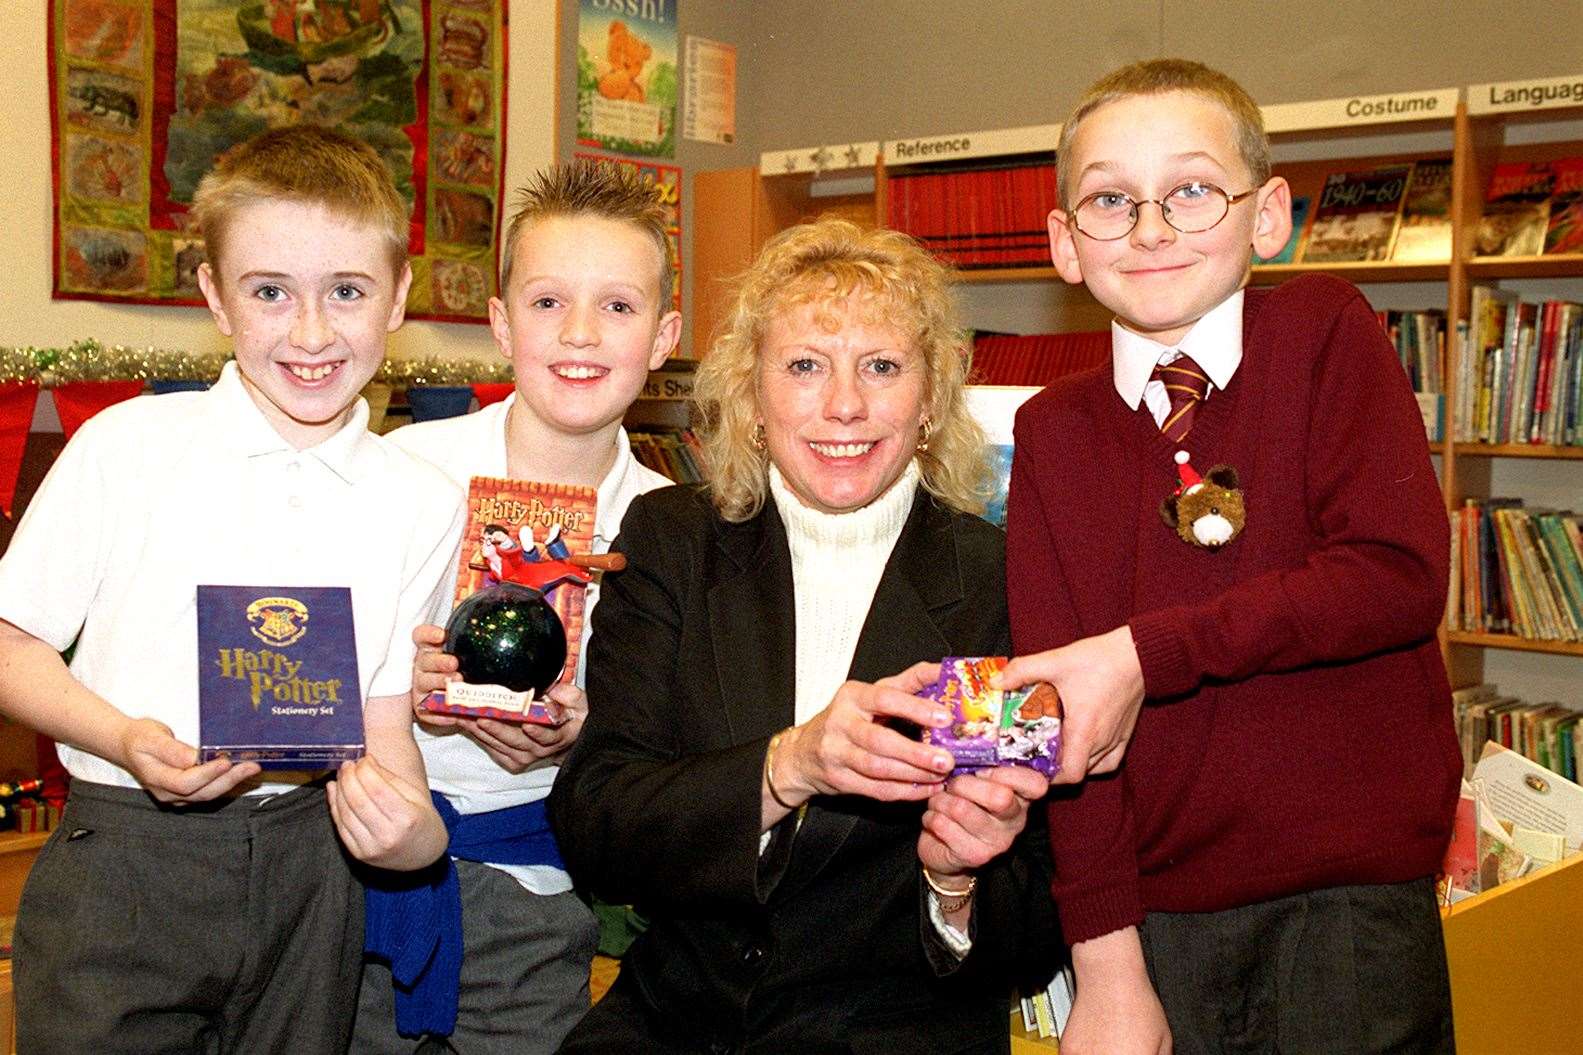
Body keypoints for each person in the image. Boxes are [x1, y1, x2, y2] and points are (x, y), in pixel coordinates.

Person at [999, 59, 1461, 1055]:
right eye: (1110, 200)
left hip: (1346, 919)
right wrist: (1107, 968)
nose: (1151, 228)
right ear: (1064, 244)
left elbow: (1393, 575)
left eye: (1191, 191)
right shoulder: (1052, 431)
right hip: (1155, 927)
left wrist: (1137, 652)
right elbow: (1056, 713)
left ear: (1266, 215)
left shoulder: (1325, 333)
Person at [0, 125, 462, 1054]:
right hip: (126, 857)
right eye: (269, 292)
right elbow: (11, 642)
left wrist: (415, 838)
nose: (311, 332)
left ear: (399, 296)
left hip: (311, 862)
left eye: (347, 291)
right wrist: (126, 738)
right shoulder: (127, 449)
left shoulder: (420, 497)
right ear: (215, 296)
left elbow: (383, 718)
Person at [548, 217, 1060, 1054]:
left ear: (931, 398)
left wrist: (958, 884)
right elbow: (597, 823)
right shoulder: (673, 538)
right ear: (752, 397)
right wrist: (789, 765)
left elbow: (1045, 915)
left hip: (892, 1033)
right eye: (805, 366)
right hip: (676, 1023)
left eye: (882, 367)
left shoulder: (1008, 579)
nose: (845, 405)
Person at [352, 159, 681, 1054]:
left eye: (618, 306)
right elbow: (300, 666)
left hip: (540, 894)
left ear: (663, 335)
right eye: (546, 302)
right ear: (500, 323)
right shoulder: (402, 469)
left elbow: (678, 742)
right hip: (359, 877)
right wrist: (388, 679)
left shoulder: (669, 528)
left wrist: (588, 730)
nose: (580, 333)